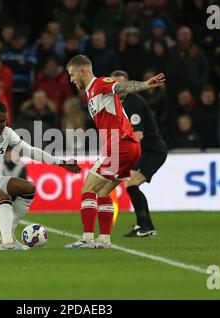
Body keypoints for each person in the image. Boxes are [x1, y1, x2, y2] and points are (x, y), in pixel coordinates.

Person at [0, 100, 81, 251]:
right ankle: (8, 244)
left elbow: (30, 151)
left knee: (28, 188)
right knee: (3, 198)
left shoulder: (7, 133)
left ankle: (8, 236)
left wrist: (61, 163)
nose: (3, 124)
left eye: (5, 120)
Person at [65, 55, 165, 249]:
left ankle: (86, 238)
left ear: (82, 71)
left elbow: (121, 87)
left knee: (87, 189)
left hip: (120, 145)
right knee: (103, 192)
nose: (71, 79)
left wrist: (144, 84)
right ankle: (104, 240)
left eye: (72, 74)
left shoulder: (99, 83)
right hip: (130, 148)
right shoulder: (91, 93)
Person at [110, 70, 167, 237]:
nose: (118, 88)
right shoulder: (116, 103)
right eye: (115, 85)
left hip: (152, 150)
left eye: (122, 85)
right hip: (145, 150)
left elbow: (138, 136)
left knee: (131, 184)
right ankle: (146, 226)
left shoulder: (133, 103)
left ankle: (145, 226)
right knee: (131, 185)